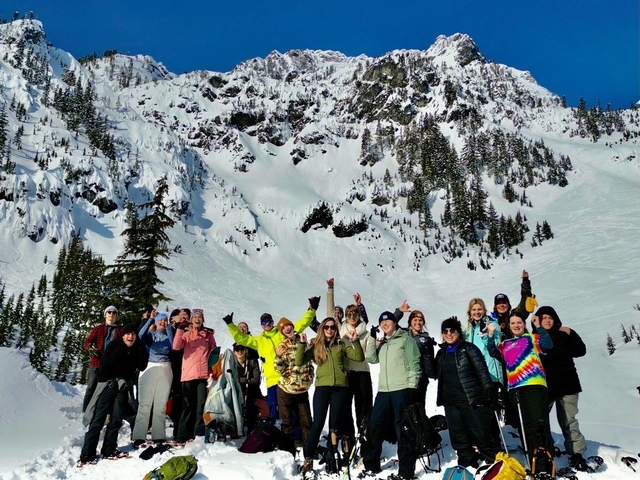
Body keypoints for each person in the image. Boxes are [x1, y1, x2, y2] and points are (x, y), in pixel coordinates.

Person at [224, 297, 319, 419]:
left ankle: (296, 436)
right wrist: (230, 325)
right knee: (272, 410)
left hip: (287, 378)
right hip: (272, 380)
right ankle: (274, 433)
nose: (267, 324)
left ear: (273, 322)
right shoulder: (258, 340)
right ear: (261, 325)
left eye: (269, 321)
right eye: (264, 322)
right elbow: (241, 338)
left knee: (291, 409)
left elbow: (302, 323)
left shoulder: (282, 333)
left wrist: (312, 310)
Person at [298, 317, 364, 474]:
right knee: (318, 424)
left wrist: (355, 341)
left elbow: (359, 357)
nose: (329, 330)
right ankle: (308, 460)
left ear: (335, 329)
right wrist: (301, 344)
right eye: (326, 327)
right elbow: (299, 361)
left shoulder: (341, 344)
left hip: (340, 389)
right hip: (322, 389)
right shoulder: (316, 345)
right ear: (322, 328)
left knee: (335, 426)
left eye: (332, 327)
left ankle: (333, 457)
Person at [488, 310, 554, 465]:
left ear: (524, 325)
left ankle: (545, 462)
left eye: (519, 322)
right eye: (513, 323)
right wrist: (491, 335)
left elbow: (548, 345)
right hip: (516, 389)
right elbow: (492, 352)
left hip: (535, 385)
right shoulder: (506, 344)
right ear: (509, 327)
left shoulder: (532, 338)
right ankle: (532, 461)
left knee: (539, 423)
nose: (516, 325)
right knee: (525, 427)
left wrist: (538, 327)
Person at [360, 311, 421, 480]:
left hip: (402, 389)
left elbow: (415, 363)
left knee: (403, 429)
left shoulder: (406, 340)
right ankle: (371, 465)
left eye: (387, 321)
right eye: (382, 323)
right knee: (375, 426)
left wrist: (411, 386)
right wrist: (372, 338)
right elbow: (371, 358)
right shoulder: (384, 343)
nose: (384, 324)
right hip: (384, 391)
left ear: (395, 322)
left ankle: (406, 472)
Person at [435, 317, 502, 468]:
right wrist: (426, 354)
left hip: (471, 399)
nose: (449, 334)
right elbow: (433, 373)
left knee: (481, 433)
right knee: (458, 436)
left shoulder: (469, 348)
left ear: (458, 332)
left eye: (452, 330)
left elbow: (481, 370)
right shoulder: (441, 353)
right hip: (451, 402)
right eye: (445, 331)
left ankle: (493, 462)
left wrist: (488, 388)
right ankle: (466, 462)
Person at [79, 324, 149, 464]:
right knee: (98, 419)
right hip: (108, 385)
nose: (130, 337)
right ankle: (87, 453)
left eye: (133, 334)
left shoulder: (137, 349)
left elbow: (142, 366)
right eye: (128, 334)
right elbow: (104, 366)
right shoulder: (114, 345)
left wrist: (142, 349)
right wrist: (120, 351)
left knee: (116, 419)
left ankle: (109, 449)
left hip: (122, 387)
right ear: (122, 335)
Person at [535, 306, 589, 471]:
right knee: (541, 420)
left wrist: (572, 333)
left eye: (550, 317)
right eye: (544, 318)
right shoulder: (535, 338)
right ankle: (547, 449)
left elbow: (580, 351)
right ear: (538, 320)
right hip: (545, 387)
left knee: (568, 420)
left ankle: (576, 453)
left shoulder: (563, 335)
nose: (548, 320)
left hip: (567, 384)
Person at [172, 308, 216, 443]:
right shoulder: (186, 334)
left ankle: (199, 433)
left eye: (200, 317)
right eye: (195, 317)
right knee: (188, 405)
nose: (197, 319)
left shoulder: (208, 336)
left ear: (203, 320)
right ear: (191, 320)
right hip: (188, 375)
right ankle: (182, 435)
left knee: (201, 404)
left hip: (202, 375)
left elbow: (213, 354)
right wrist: (180, 329)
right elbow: (176, 346)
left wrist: (212, 370)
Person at [132, 312, 174, 447]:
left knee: (160, 404)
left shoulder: (169, 335)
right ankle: (139, 436)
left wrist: (168, 327)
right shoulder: (151, 335)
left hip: (165, 367)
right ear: (156, 322)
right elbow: (140, 335)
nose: (163, 322)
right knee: (145, 403)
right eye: (160, 320)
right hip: (149, 367)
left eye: (165, 320)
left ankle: (159, 436)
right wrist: (150, 320)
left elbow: (174, 344)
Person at [274, 317, 314, 453]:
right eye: (284, 328)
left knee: (306, 421)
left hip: (302, 390)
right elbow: (278, 369)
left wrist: (309, 377)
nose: (287, 329)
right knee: (287, 423)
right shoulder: (282, 346)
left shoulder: (303, 341)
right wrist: (278, 357)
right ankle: (288, 451)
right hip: (286, 390)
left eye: (288, 326)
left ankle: (309, 450)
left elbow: (309, 363)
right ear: (282, 332)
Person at [340, 302, 374, 436]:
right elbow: (330, 313)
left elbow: (370, 353)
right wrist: (330, 289)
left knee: (364, 408)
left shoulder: (366, 334)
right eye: (349, 314)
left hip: (362, 373)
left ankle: (364, 435)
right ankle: (348, 437)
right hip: (347, 373)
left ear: (359, 316)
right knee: (345, 408)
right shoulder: (341, 332)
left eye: (355, 314)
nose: (352, 317)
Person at [82, 306, 123, 412]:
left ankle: (106, 412)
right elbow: (87, 341)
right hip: (97, 362)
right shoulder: (98, 329)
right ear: (105, 314)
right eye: (109, 312)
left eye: (114, 312)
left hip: (111, 365)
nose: (111, 314)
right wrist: (90, 347)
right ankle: (86, 409)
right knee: (91, 387)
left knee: (108, 389)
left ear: (116, 316)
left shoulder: (120, 330)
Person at [406, 310, 436, 410]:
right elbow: (390, 323)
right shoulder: (403, 335)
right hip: (403, 376)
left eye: (420, 320)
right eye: (415, 320)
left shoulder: (426, 339)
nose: (418, 323)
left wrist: (432, 373)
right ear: (410, 321)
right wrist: (399, 312)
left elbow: (429, 359)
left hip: (420, 377)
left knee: (418, 407)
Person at [233, 342, 264, 433]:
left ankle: (252, 425)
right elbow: (231, 379)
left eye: (241, 349)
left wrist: (241, 381)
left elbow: (256, 380)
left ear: (245, 350)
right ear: (234, 352)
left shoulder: (252, 361)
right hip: (238, 391)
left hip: (252, 391)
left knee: (251, 400)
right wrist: (245, 381)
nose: (240, 352)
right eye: (237, 350)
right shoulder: (232, 363)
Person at [491, 270, 532, 335]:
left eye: (504, 303)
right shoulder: (491, 320)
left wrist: (525, 282)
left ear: (508, 305)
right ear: (495, 306)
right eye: (498, 303)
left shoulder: (515, 314)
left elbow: (525, 300)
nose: (501, 305)